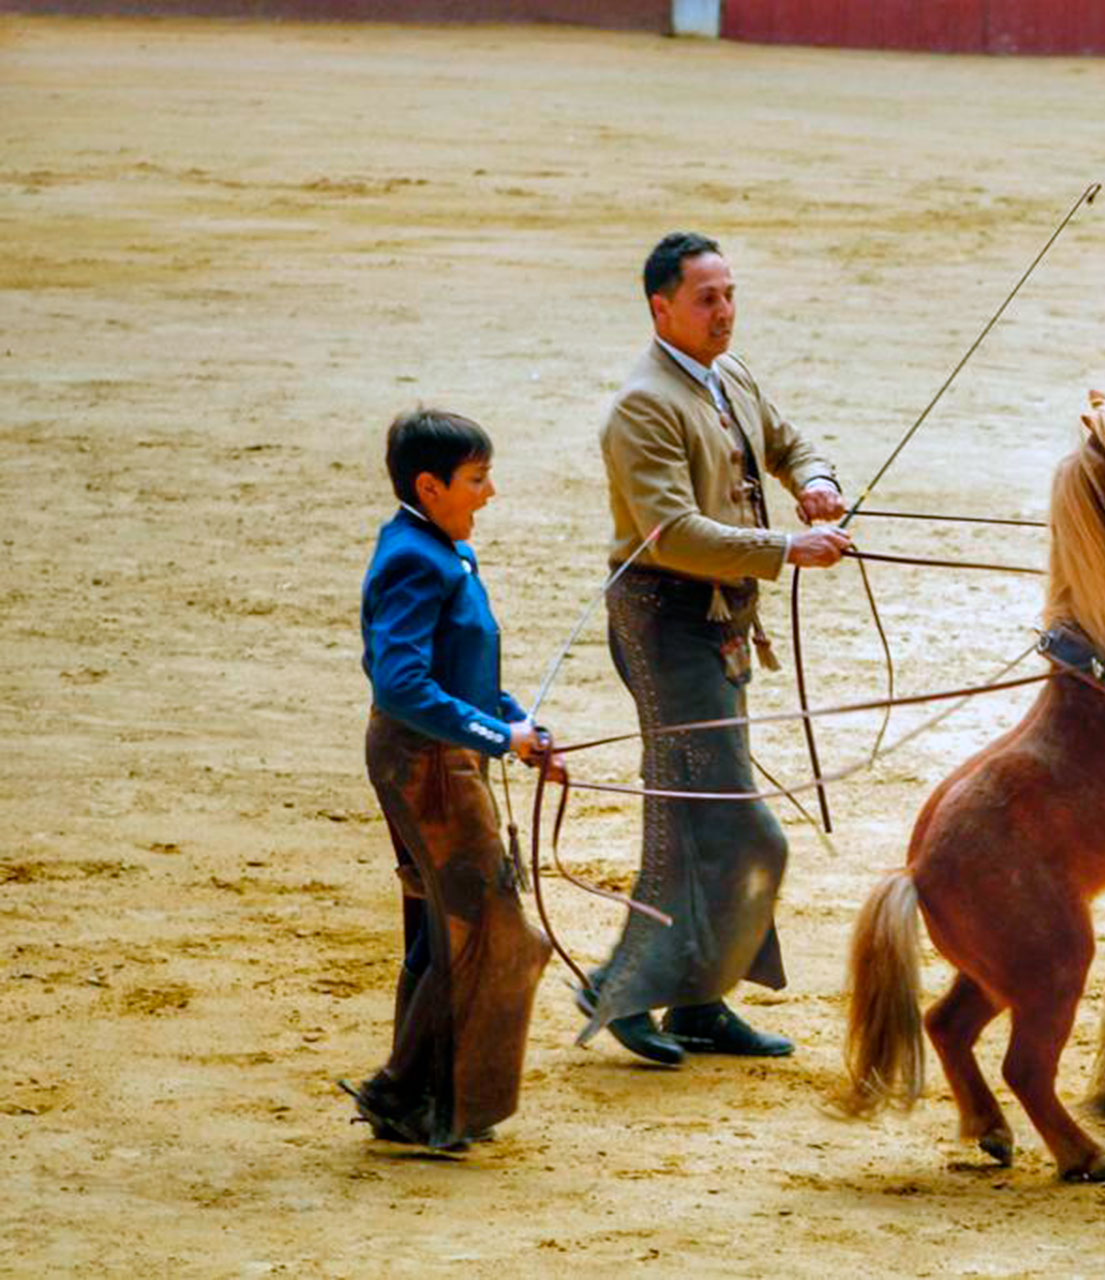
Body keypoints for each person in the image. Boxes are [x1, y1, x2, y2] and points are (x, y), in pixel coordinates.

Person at [574, 231, 851, 1065]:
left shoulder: (727, 374)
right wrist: (785, 551)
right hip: (667, 625)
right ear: (660, 307)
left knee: (704, 818)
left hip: (717, 626)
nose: (724, 311)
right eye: (706, 298)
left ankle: (697, 1001)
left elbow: (791, 442)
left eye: (729, 294)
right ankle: (620, 987)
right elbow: (673, 533)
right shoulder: (641, 403)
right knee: (729, 828)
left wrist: (817, 483)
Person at [341, 408, 560, 1150]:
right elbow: (402, 682)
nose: (489, 493)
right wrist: (500, 735)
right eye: (476, 480)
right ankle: (406, 1093)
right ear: (429, 486)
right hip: (424, 764)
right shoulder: (417, 558)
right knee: (484, 927)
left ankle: (430, 1093)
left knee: (450, 927)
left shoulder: (435, 546)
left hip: (439, 755)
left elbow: (463, 672)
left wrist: (517, 727)